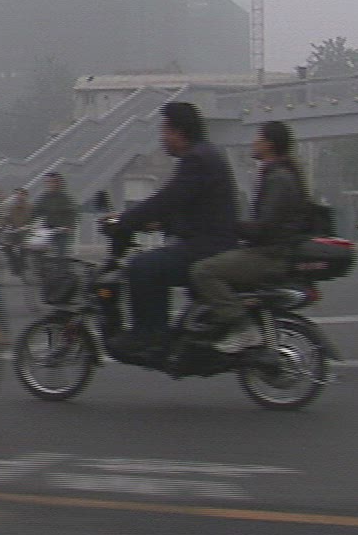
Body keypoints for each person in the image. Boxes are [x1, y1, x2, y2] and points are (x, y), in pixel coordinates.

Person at [102, 101, 240, 352]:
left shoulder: (197, 159)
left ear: (179, 131)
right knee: (154, 262)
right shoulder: (205, 154)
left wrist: (126, 220)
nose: (162, 138)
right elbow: (190, 205)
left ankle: (150, 335)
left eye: (165, 130)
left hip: (205, 247)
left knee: (143, 267)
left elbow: (166, 200)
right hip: (210, 241)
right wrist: (157, 223)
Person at [188, 121, 314, 353]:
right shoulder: (280, 174)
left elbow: (265, 227)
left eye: (258, 138)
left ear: (269, 144)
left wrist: (229, 226)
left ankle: (242, 327)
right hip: (274, 251)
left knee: (203, 271)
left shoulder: (277, 178)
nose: (253, 142)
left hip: (269, 255)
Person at [31, 171, 78, 259]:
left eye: (54, 181)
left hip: (62, 229)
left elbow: (72, 214)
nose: (51, 184)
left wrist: (69, 226)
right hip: (46, 228)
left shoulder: (66, 198)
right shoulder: (42, 198)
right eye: (48, 182)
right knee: (36, 251)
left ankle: (60, 265)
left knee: (60, 254)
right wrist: (31, 224)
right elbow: (35, 213)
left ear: (59, 183)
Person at [0, 186, 31, 277]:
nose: (18, 196)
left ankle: (21, 264)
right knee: (6, 247)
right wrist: (2, 226)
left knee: (23, 248)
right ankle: (15, 265)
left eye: (21, 194)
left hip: (24, 231)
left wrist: (27, 227)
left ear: (25, 196)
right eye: (17, 194)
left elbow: (31, 219)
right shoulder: (10, 206)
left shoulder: (29, 207)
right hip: (13, 230)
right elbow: (5, 218)